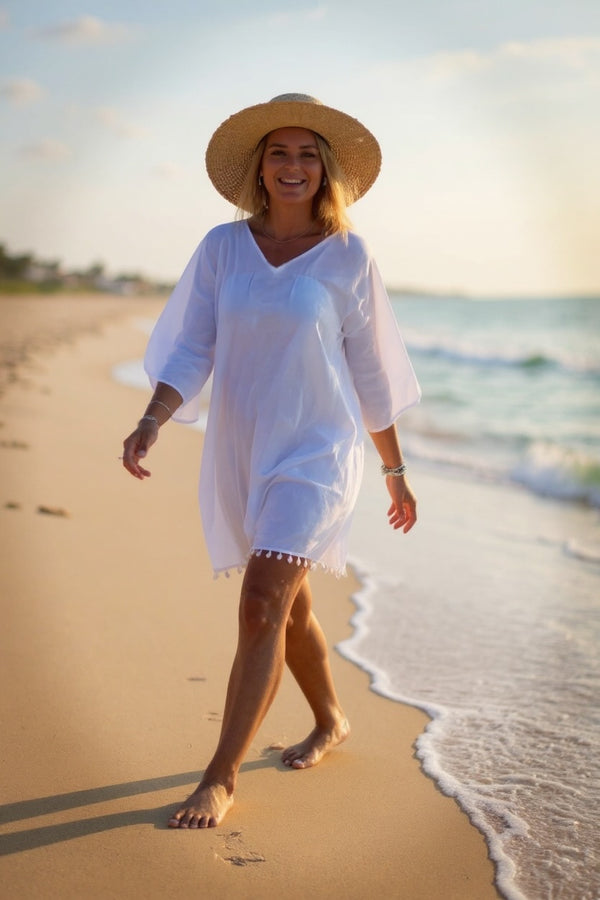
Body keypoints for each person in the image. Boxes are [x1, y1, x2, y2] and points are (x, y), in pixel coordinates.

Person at [121, 93, 421, 829]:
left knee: (260, 603)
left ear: (326, 171)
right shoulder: (223, 249)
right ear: (260, 167)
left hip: (319, 451)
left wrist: (394, 470)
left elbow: (373, 372)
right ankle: (331, 720)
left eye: (308, 154)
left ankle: (220, 776)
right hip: (243, 447)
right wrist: (152, 418)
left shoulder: (348, 254)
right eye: (280, 153)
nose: (294, 166)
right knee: (290, 609)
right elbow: (193, 345)